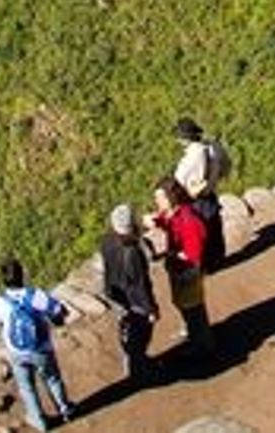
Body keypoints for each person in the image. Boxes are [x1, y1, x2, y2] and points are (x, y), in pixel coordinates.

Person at [0, 258, 75, 432]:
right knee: (52, 379)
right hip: (41, 348)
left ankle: (39, 421)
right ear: (22, 276)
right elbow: (59, 310)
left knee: (27, 387)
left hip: (16, 351)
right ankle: (66, 410)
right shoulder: (35, 295)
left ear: (4, 280)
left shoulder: (0, 302)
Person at [151, 177, 214, 358]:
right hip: (178, 269)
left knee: (192, 308)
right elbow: (168, 223)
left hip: (187, 272)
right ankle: (196, 334)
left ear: (172, 197)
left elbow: (193, 255)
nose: (157, 202)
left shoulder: (189, 221)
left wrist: (170, 256)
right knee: (184, 304)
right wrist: (157, 223)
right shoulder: (173, 214)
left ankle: (202, 344)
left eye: (160, 198)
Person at [98, 203, 159, 383]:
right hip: (135, 301)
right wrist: (151, 309)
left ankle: (133, 363)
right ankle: (138, 369)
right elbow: (140, 285)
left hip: (117, 296)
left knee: (126, 331)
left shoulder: (106, 241)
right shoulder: (132, 253)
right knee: (141, 335)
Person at [173, 117, 230, 269]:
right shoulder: (214, 148)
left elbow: (178, 180)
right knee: (214, 230)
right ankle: (217, 260)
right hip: (210, 195)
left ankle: (204, 264)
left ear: (184, 138)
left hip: (196, 200)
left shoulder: (191, 157)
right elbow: (225, 167)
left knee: (199, 232)